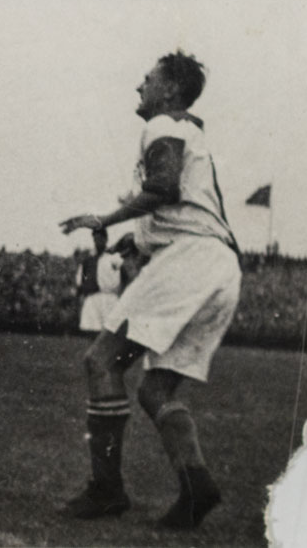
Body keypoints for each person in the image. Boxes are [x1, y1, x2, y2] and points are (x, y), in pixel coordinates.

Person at [59, 51, 241, 529]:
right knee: (155, 389)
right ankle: (196, 487)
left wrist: (104, 218)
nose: (138, 88)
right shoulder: (189, 132)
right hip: (220, 266)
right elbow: (178, 207)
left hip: (191, 260)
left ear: (171, 91)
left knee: (101, 361)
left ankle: (107, 490)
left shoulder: (164, 124)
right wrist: (134, 237)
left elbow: (163, 189)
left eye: (147, 80)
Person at [75, 228, 122, 333]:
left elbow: (123, 276)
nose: (97, 241)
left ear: (106, 239)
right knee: (92, 329)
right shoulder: (88, 261)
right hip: (93, 298)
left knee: (110, 331)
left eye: (100, 238)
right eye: (95, 239)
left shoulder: (114, 258)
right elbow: (80, 282)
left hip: (110, 298)